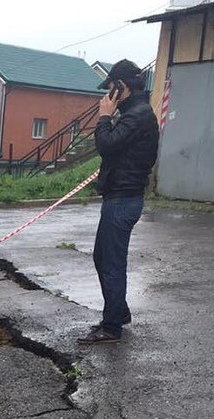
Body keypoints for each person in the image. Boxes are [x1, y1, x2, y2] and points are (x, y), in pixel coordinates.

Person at [79, 59, 159, 344]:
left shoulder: (137, 115)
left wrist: (103, 117)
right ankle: (119, 311)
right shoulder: (134, 113)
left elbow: (106, 145)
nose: (107, 95)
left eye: (111, 88)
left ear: (121, 86)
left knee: (112, 262)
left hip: (123, 200)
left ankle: (111, 327)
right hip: (119, 197)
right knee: (102, 257)